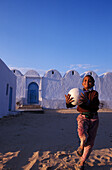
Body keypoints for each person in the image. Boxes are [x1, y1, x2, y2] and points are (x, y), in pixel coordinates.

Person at [65, 75, 99, 170]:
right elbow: (72, 104)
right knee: (82, 133)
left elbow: (95, 105)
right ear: (82, 83)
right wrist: (68, 102)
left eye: (90, 81)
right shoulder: (78, 93)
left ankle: (82, 162)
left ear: (93, 83)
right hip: (83, 117)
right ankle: (81, 143)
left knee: (90, 143)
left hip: (94, 119)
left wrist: (87, 101)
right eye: (85, 81)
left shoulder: (94, 93)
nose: (87, 83)